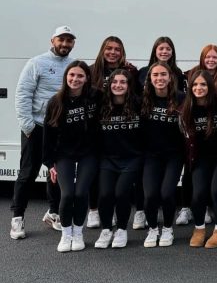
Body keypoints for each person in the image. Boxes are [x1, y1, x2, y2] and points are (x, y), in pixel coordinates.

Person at [11, 25, 75, 240]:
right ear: (52, 41)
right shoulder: (36, 63)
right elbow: (22, 94)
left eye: (69, 40)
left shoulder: (72, 66)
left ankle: (53, 213)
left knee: (55, 173)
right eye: (61, 40)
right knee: (28, 173)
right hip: (36, 128)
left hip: (59, 130)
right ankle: (17, 218)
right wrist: (28, 126)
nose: (65, 44)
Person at [42, 61, 100, 252]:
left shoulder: (95, 97)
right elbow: (48, 135)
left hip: (89, 153)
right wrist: (50, 163)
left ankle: (78, 233)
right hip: (64, 154)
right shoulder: (56, 101)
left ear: (87, 78)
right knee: (67, 194)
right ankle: (66, 234)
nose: (75, 79)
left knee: (81, 193)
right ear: (66, 77)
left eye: (80, 76)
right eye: (72, 75)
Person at [88, 35, 139, 229]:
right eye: (109, 48)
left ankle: (120, 218)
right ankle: (93, 210)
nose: (113, 52)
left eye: (117, 49)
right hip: (96, 126)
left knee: (118, 188)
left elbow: (136, 97)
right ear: (102, 50)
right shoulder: (92, 71)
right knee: (96, 176)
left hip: (120, 131)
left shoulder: (129, 71)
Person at [180, 70, 217, 249]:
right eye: (195, 84)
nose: (198, 88)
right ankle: (199, 229)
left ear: (210, 86)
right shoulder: (186, 108)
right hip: (200, 158)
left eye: (203, 84)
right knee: (198, 194)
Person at [94, 69, 143, 250]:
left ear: (129, 85)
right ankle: (107, 229)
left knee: (121, 193)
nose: (118, 85)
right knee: (105, 195)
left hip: (132, 158)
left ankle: (122, 229)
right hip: (108, 159)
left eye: (123, 82)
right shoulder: (102, 106)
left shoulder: (138, 104)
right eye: (115, 82)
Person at [140, 63, 186, 248]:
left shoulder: (181, 98)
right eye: (155, 75)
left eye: (163, 74)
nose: (159, 78)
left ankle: (167, 228)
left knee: (167, 194)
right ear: (150, 79)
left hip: (174, 155)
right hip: (151, 156)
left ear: (170, 77)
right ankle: (152, 229)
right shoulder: (143, 100)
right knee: (150, 195)